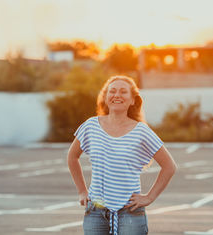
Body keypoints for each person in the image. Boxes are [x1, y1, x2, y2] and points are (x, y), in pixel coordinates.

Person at [67, 75, 177, 235]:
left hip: (130, 212)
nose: (117, 95)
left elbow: (169, 166)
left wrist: (149, 197)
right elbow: (72, 157)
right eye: (112, 91)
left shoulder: (141, 131)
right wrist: (82, 191)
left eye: (123, 92)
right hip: (96, 211)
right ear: (105, 97)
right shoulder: (91, 126)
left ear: (133, 100)